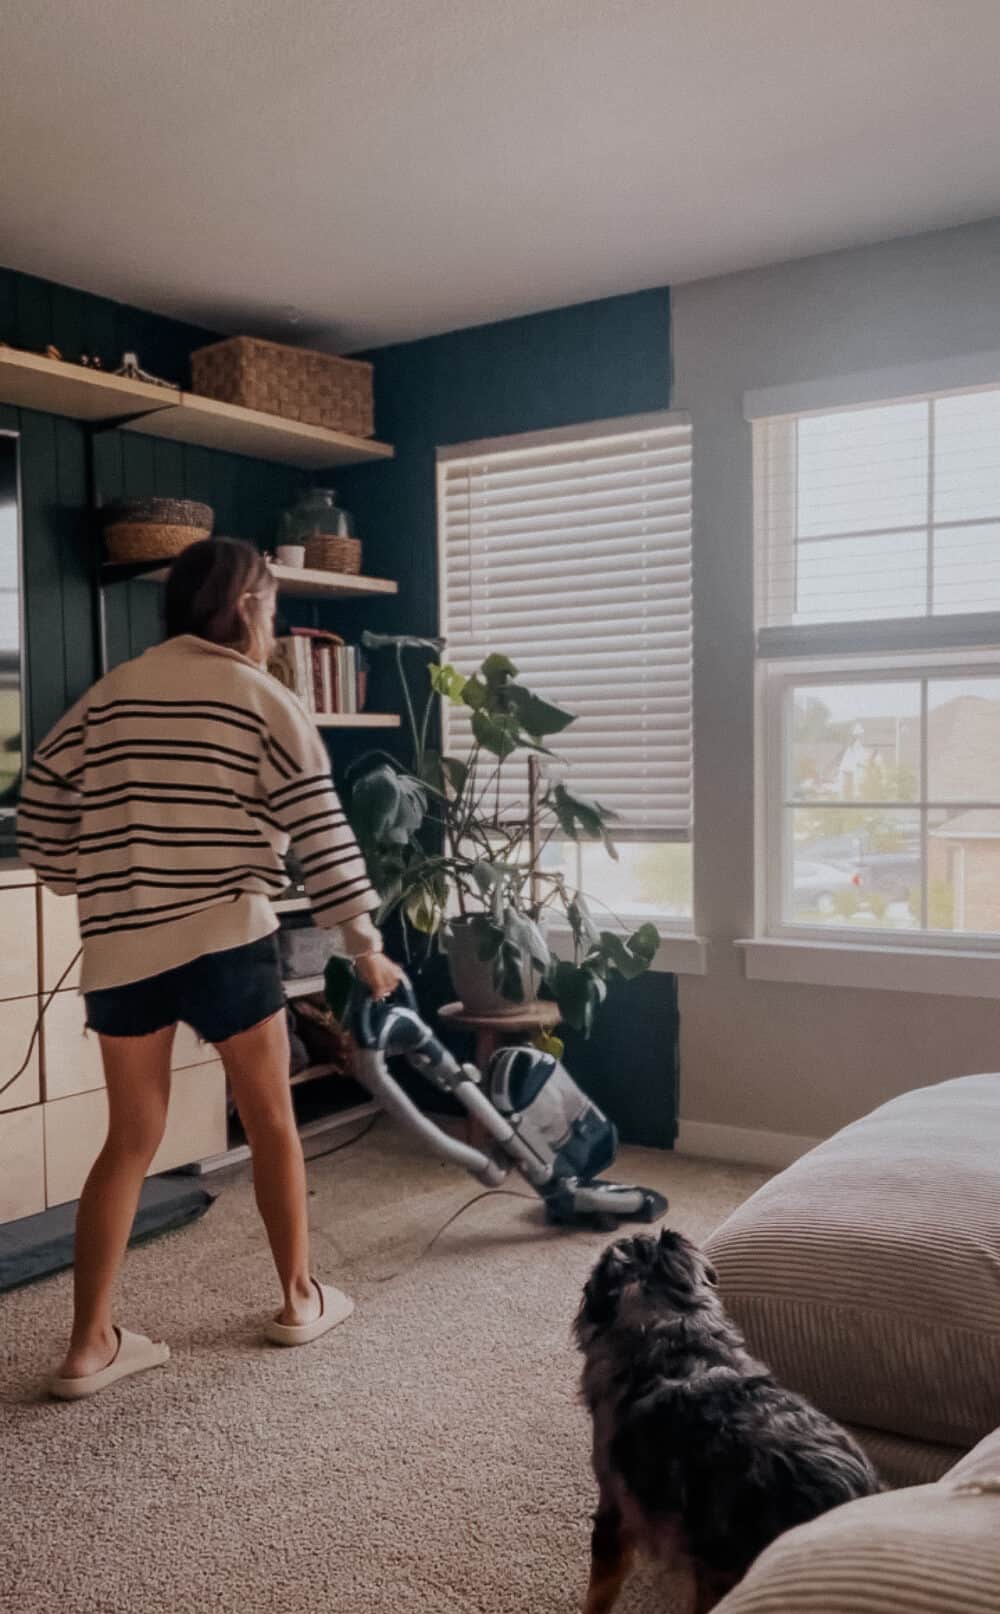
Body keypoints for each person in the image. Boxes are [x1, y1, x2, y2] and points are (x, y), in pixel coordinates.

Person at [17, 536, 401, 1398]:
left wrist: (74, 874)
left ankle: (87, 1346)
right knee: (270, 1120)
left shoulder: (107, 698)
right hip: (226, 936)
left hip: (122, 948)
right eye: (268, 606)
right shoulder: (261, 696)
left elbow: (39, 798)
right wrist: (364, 942)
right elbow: (320, 828)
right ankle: (299, 1300)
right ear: (245, 607)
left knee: (130, 1138)